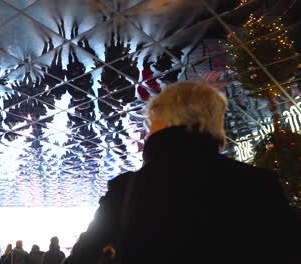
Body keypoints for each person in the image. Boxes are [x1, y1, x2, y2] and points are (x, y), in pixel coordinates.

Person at [64, 81, 301, 264]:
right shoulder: (258, 184)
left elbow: (83, 257)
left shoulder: (127, 189)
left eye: (152, 122)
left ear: (163, 121)